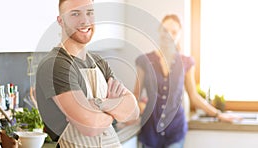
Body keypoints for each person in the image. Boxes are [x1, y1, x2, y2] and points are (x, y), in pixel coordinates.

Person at [35, 0, 139, 147]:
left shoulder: (98, 62)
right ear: (60, 21)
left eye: (89, 13)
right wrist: (115, 110)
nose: (85, 20)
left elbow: (133, 112)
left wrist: (98, 104)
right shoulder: (55, 64)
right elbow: (90, 127)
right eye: (75, 14)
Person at [133, 14, 241, 148]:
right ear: (159, 31)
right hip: (150, 132)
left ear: (179, 36)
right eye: (165, 30)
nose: (169, 35)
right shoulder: (144, 61)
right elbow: (134, 96)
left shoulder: (186, 63)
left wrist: (218, 114)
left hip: (175, 131)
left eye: (174, 32)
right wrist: (135, 110)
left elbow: (194, 97)